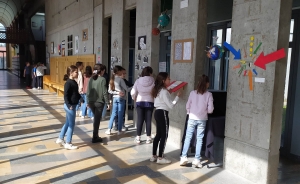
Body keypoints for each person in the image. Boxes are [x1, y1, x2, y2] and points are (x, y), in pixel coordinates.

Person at [180, 75, 214, 168]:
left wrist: (190, 112)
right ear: (207, 84)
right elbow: (210, 110)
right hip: (202, 119)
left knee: (188, 137)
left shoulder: (192, 93)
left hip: (191, 117)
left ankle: (183, 157)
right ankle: (197, 159)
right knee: (199, 139)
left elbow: (187, 106)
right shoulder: (209, 94)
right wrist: (203, 111)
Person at [150, 72, 181, 164]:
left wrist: (169, 92)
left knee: (158, 135)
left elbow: (163, 99)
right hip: (163, 113)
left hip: (157, 112)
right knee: (164, 135)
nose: (170, 80)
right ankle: (160, 158)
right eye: (168, 79)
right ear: (163, 81)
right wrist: (177, 97)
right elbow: (171, 105)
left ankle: (154, 155)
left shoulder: (158, 90)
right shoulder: (164, 91)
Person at [56, 65, 81, 150]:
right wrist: (69, 105)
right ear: (71, 73)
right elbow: (66, 96)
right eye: (76, 72)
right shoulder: (68, 83)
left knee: (67, 123)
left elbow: (75, 93)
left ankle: (60, 138)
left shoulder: (74, 82)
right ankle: (68, 142)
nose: (77, 73)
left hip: (72, 105)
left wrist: (81, 98)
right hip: (70, 106)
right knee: (71, 124)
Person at [131, 66, 154, 144]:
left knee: (140, 120)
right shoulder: (153, 80)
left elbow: (133, 91)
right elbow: (155, 91)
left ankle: (138, 138)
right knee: (148, 120)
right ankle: (148, 138)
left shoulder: (138, 81)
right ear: (150, 73)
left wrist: (134, 97)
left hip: (140, 101)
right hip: (150, 102)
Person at [105, 65, 131, 135]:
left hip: (114, 98)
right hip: (121, 98)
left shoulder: (112, 79)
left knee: (113, 114)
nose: (123, 73)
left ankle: (109, 129)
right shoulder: (120, 79)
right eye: (121, 71)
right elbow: (127, 89)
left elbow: (109, 91)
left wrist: (116, 92)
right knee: (120, 114)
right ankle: (119, 130)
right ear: (119, 71)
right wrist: (134, 86)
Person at [86, 64, 109, 143]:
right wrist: (107, 102)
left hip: (91, 102)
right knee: (97, 120)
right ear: (101, 71)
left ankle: (95, 135)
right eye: (103, 70)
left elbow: (88, 91)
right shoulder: (102, 79)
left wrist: (87, 101)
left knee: (96, 118)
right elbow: (104, 92)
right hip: (99, 102)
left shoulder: (91, 79)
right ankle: (95, 136)